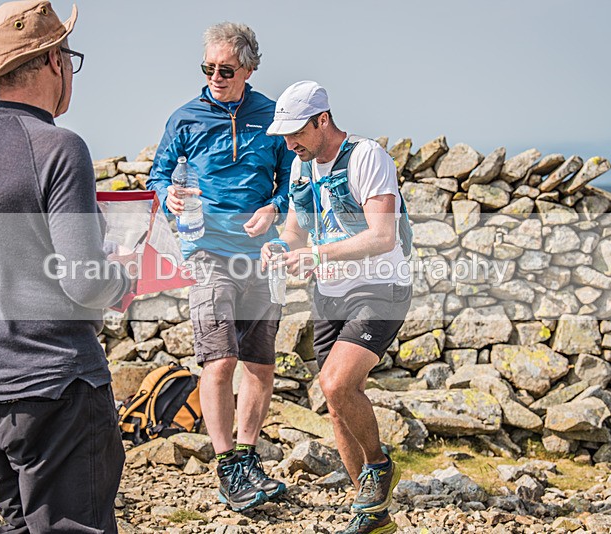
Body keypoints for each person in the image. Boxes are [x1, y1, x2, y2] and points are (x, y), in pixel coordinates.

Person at [0, 2, 130, 532]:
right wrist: (122, 274)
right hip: (57, 387)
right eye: (70, 56)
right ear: (54, 60)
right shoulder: (60, 147)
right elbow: (82, 281)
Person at [147, 22, 291, 513]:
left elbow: (295, 184)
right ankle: (227, 465)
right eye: (207, 68)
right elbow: (158, 174)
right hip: (206, 252)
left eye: (225, 69)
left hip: (264, 254)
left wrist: (274, 206)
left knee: (260, 364)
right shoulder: (184, 118)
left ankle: (249, 456)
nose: (215, 77)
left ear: (249, 68)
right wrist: (168, 192)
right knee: (219, 358)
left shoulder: (272, 118)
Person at [263, 81, 413, 534]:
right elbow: (294, 232)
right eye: (284, 136)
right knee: (337, 401)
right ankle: (371, 515)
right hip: (329, 294)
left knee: (334, 384)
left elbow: (382, 236)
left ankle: (380, 467)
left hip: (380, 288)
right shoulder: (300, 165)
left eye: (295, 133)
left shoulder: (367, 158)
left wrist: (318, 256)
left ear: (322, 120)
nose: (289, 143)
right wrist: (277, 247)